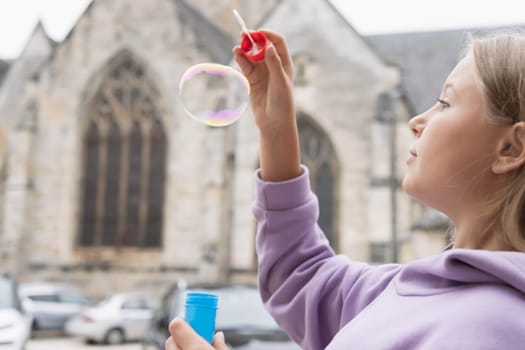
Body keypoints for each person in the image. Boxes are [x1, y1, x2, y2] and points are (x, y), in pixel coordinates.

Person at [166, 29, 525, 350]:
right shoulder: (399, 288)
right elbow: (299, 275)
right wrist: (276, 127)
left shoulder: (495, 329)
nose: (417, 121)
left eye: (445, 103)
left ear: (511, 148)